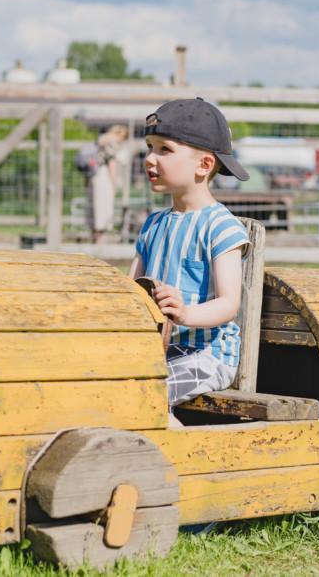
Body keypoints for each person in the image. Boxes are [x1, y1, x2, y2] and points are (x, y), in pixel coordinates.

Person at [127, 98, 251, 419]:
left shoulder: (220, 226)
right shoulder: (154, 224)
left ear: (204, 165)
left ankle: (181, 464)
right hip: (163, 350)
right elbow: (132, 290)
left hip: (207, 355)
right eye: (149, 147)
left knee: (147, 394)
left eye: (164, 150)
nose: (150, 159)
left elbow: (228, 304)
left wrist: (185, 313)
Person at [87, 124, 131, 244]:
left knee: (95, 205)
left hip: (94, 175)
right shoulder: (111, 143)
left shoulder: (101, 140)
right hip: (104, 175)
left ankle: (95, 236)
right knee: (103, 206)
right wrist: (114, 183)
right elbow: (112, 164)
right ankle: (100, 239)